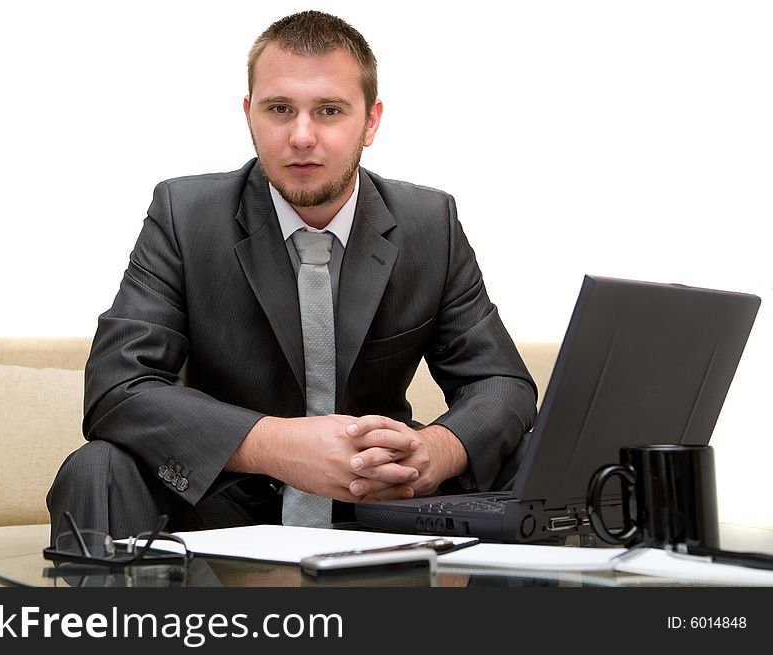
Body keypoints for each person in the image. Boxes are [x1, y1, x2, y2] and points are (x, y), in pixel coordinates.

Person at [47, 10, 537, 541]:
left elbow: (500, 383)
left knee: (540, 458)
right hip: (227, 503)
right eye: (280, 109)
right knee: (98, 468)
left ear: (370, 122)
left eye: (329, 111)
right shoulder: (184, 214)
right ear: (248, 114)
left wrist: (434, 452)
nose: (302, 136)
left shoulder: (429, 223)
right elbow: (118, 388)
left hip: (382, 506)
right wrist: (279, 447)